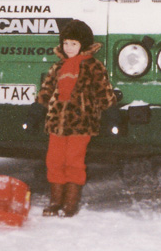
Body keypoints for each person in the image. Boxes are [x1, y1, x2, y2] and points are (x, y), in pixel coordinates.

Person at [35, 19, 118, 217]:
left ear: (83, 45)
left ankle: (70, 203)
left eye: (74, 44)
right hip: (56, 124)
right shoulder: (58, 67)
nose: (69, 48)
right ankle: (55, 201)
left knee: (74, 161)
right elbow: (45, 92)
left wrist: (112, 117)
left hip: (81, 124)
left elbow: (104, 93)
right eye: (66, 43)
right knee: (54, 161)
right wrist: (35, 112)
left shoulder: (93, 67)